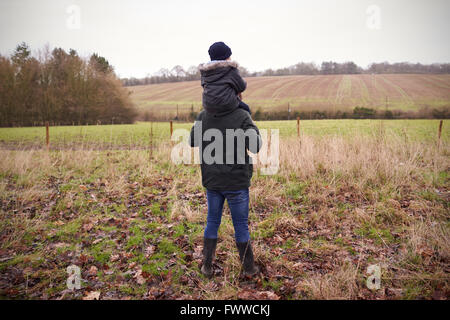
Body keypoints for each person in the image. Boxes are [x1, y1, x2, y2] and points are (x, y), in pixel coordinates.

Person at [189, 42, 262, 278]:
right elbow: (257, 146)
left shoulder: (203, 115)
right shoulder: (242, 115)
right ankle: (248, 269)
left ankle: (206, 267)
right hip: (237, 181)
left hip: (213, 181)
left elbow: (192, 141)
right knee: (241, 226)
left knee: (212, 222)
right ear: (234, 92)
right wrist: (247, 120)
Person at [198, 41, 251, 115]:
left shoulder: (205, 72)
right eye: (229, 56)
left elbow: (203, 86)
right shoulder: (231, 69)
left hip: (208, 105)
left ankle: (198, 126)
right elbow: (241, 87)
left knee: (200, 117)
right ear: (226, 57)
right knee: (246, 109)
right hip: (227, 104)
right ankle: (249, 126)